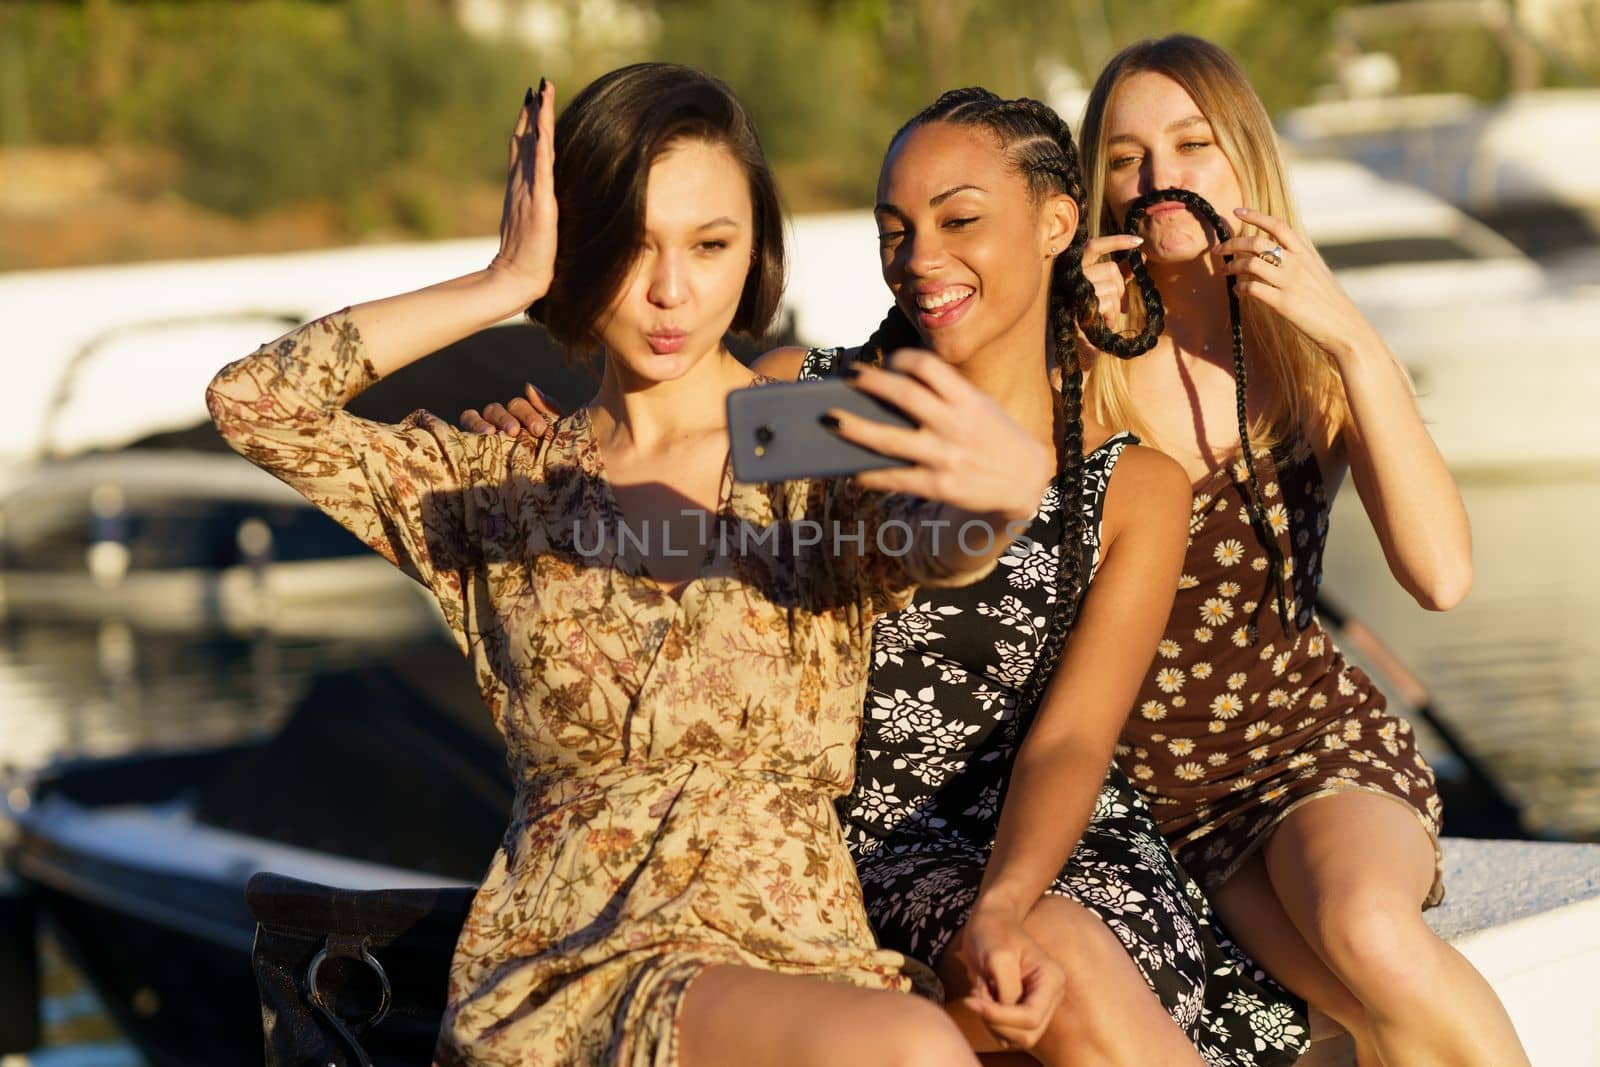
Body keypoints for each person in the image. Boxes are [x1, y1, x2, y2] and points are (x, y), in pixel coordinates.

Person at [207, 63, 1061, 1067]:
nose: (670, 290)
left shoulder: (818, 441)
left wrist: (1000, 502)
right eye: (632, 245)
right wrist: (504, 281)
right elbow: (256, 403)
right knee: (908, 1051)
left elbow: (929, 543)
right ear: (582, 248)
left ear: (754, 254)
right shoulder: (491, 490)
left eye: (709, 244)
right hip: (577, 973)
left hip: (803, 961)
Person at [463, 86, 1310, 1067]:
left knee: (1061, 946)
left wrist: (1001, 897)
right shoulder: (796, 405)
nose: (920, 259)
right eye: (895, 230)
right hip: (815, 854)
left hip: (1042, 851)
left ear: (1055, 222)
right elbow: (650, 463)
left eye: (959, 220)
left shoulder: (1131, 487)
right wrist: (547, 455)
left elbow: (1074, 737)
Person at [1072, 33, 1529, 1067]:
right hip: (1154, 796)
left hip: (1308, 749)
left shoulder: (1306, 352)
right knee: (1362, 1016)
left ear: (1242, 161)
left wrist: (1353, 339)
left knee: (1369, 935)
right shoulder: (1074, 357)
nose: (1158, 179)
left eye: (1191, 144)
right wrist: (1062, 359)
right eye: (1124, 156)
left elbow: (1442, 575)